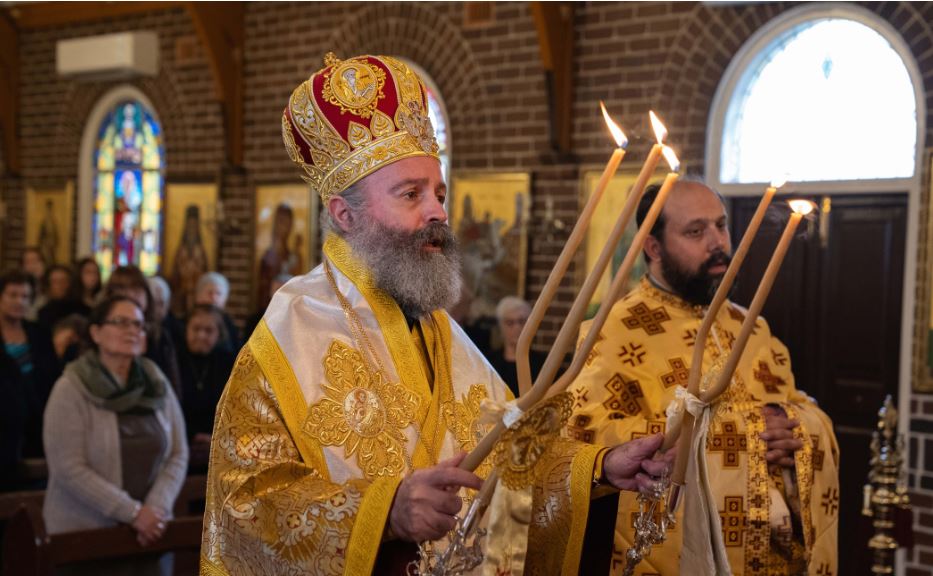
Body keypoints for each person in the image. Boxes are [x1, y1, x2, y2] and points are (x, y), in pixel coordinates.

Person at [201, 53, 672, 575]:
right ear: (344, 214)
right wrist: (384, 512)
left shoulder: (436, 325)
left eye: (439, 192)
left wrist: (601, 467)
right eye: (411, 194)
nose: (438, 212)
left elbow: (509, 459)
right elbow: (243, 504)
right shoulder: (290, 333)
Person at [567, 180, 839, 575]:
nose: (718, 242)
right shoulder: (610, 333)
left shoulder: (752, 328)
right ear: (653, 247)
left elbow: (797, 408)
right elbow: (590, 442)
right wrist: (746, 436)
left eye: (721, 226)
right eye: (696, 231)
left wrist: (795, 426)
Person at [42, 295, 188, 575]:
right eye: (120, 322)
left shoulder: (156, 382)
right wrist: (133, 513)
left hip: (148, 536)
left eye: (138, 324)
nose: (132, 330)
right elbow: (68, 468)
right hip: (87, 537)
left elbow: (178, 453)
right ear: (95, 333)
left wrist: (154, 511)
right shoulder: (71, 389)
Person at [0, 271, 55, 490]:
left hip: (37, 421)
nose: (18, 301)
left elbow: (51, 375)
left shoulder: (39, 333)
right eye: (13, 295)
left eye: (25, 296)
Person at [106, 266, 181, 395]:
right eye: (122, 289)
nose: (131, 296)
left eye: (136, 289)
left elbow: (171, 384)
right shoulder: (103, 330)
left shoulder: (159, 335)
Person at [177, 304, 234, 472]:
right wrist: (191, 436)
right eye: (196, 329)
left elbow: (234, 409)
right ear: (186, 330)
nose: (201, 335)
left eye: (209, 330)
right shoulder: (175, 361)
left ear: (218, 334)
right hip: (180, 442)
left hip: (219, 446)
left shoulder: (228, 363)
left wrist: (215, 439)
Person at [485, 296, 547, 397]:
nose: (517, 328)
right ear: (501, 326)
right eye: (510, 323)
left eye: (521, 322)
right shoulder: (488, 363)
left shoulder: (543, 364)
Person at [256, 203, 304, 310]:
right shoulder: (267, 256)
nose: (284, 227)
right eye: (281, 222)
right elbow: (263, 289)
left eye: (287, 223)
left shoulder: (294, 256)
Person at [170, 205, 209, 317]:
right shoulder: (181, 250)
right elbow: (176, 271)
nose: (192, 229)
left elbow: (204, 270)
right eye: (189, 226)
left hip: (196, 290)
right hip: (181, 292)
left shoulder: (200, 250)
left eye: (194, 226)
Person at [193, 272, 240, 351]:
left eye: (218, 294)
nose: (214, 298)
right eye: (210, 293)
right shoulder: (188, 320)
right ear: (198, 296)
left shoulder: (228, 322)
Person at [21, 247, 47, 320]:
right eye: (28, 262)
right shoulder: (18, 288)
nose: (32, 266)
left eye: (36, 261)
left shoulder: (50, 286)